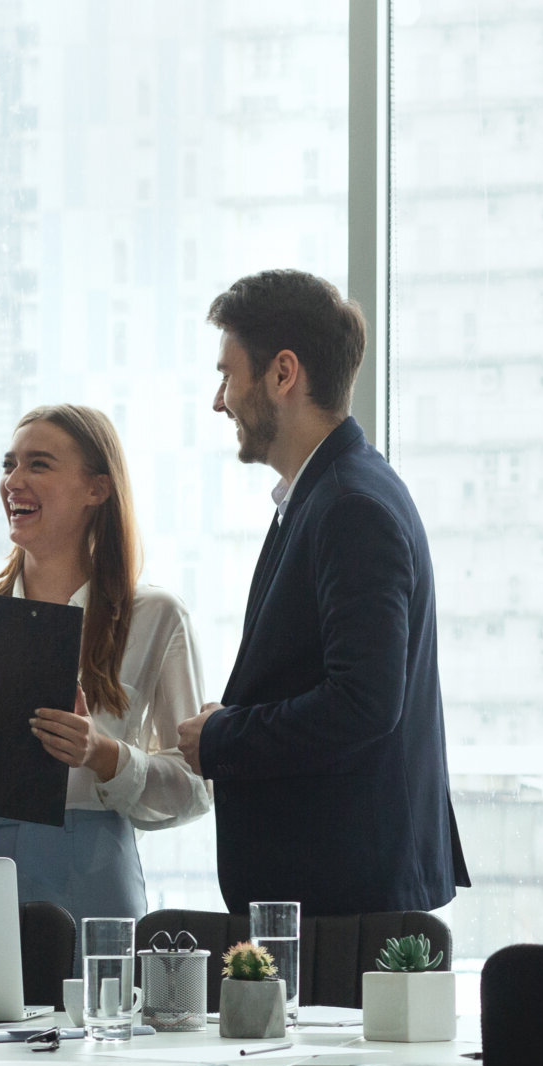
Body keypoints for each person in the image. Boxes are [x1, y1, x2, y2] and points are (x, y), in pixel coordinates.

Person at [176, 269, 469, 915]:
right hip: (339, 895)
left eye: (228, 374)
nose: (219, 401)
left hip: (345, 909)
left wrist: (222, 738)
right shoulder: (335, 492)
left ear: (284, 373)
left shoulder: (349, 505)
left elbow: (363, 702)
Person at [0, 404, 211, 926]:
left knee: (94, 1012)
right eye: (8, 464)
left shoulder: (157, 618)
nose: (13, 481)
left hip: (90, 876)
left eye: (38, 464)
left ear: (97, 489)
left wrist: (104, 755)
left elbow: (195, 790)